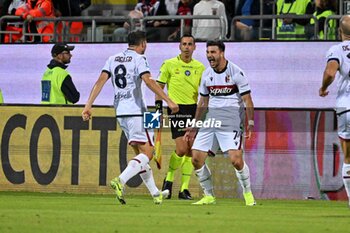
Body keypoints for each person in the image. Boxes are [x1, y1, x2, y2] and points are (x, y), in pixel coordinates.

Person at [82, 30, 179, 205]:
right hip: (137, 111)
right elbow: (149, 81)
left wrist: (88, 105)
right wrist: (169, 101)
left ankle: (155, 193)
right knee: (148, 153)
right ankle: (120, 180)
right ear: (143, 44)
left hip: (120, 112)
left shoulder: (113, 59)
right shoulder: (139, 59)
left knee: (140, 156)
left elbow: (100, 81)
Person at [184, 40, 256, 205]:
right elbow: (202, 102)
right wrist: (195, 126)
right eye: (208, 52)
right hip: (211, 121)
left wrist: (250, 122)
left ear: (222, 53)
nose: (210, 56)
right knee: (196, 158)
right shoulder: (207, 75)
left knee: (236, 160)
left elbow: (247, 99)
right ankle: (209, 195)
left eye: (213, 52)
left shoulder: (236, 72)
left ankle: (248, 193)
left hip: (231, 120)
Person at [156, 34, 205, 200]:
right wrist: (159, 109)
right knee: (182, 148)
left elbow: (205, 91)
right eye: (184, 44)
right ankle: (168, 180)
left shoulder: (200, 67)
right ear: (179, 46)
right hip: (176, 109)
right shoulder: (169, 64)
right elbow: (159, 87)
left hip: (194, 109)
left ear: (194, 47)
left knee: (191, 150)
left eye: (190, 44)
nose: (187, 47)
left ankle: (184, 189)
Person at [319, 15, 350, 207]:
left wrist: (323, 88)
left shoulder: (337, 50)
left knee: (348, 157)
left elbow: (331, 72)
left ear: (340, 32)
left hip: (346, 106)